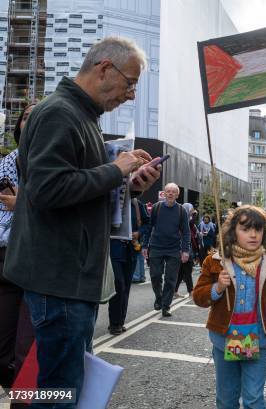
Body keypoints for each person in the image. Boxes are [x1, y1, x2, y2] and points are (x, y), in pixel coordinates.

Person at [1, 37, 160, 408]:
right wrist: (114, 169)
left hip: (69, 278)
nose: (132, 94)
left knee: (59, 386)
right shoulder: (60, 113)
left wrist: (129, 186)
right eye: (130, 82)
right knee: (59, 391)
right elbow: (45, 190)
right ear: (104, 68)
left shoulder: (81, 116)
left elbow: (78, 196)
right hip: (60, 279)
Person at [192, 205, 266, 408]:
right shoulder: (215, 262)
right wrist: (217, 287)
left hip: (259, 339)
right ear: (233, 232)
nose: (253, 235)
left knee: (254, 398)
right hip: (225, 338)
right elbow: (199, 298)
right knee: (226, 398)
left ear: (265, 232)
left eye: (258, 229)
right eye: (245, 229)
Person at [0, 103, 36, 391]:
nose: (30, 121)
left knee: (29, 350)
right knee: (3, 352)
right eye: (25, 116)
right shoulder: (5, 163)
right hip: (4, 254)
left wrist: (23, 201)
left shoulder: (52, 161)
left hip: (39, 259)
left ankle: (26, 395)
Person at [143, 183, 190, 317]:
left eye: (173, 192)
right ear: (164, 193)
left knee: (171, 279)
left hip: (173, 249)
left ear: (177, 195)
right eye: (168, 191)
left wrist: (185, 250)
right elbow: (148, 228)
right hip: (156, 247)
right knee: (155, 276)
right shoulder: (157, 208)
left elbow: (186, 232)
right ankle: (159, 297)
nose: (170, 194)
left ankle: (166, 305)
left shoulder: (182, 211)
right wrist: (145, 246)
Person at [107, 198, 150, 335]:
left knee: (126, 286)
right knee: (118, 284)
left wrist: (139, 233)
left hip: (131, 250)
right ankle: (114, 323)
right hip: (114, 249)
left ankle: (120, 321)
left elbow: (147, 223)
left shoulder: (137, 203)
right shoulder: (112, 200)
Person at [175, 202, 199, 298]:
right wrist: (194, 214)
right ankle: (191, 291)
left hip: (187, 248)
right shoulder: (183, 220)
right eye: (191, 209)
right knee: (187, 271)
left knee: (181, 272)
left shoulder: (184, 219)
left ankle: (174, 290)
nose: (192, 210)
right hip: (183, 249)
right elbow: (191, 223)